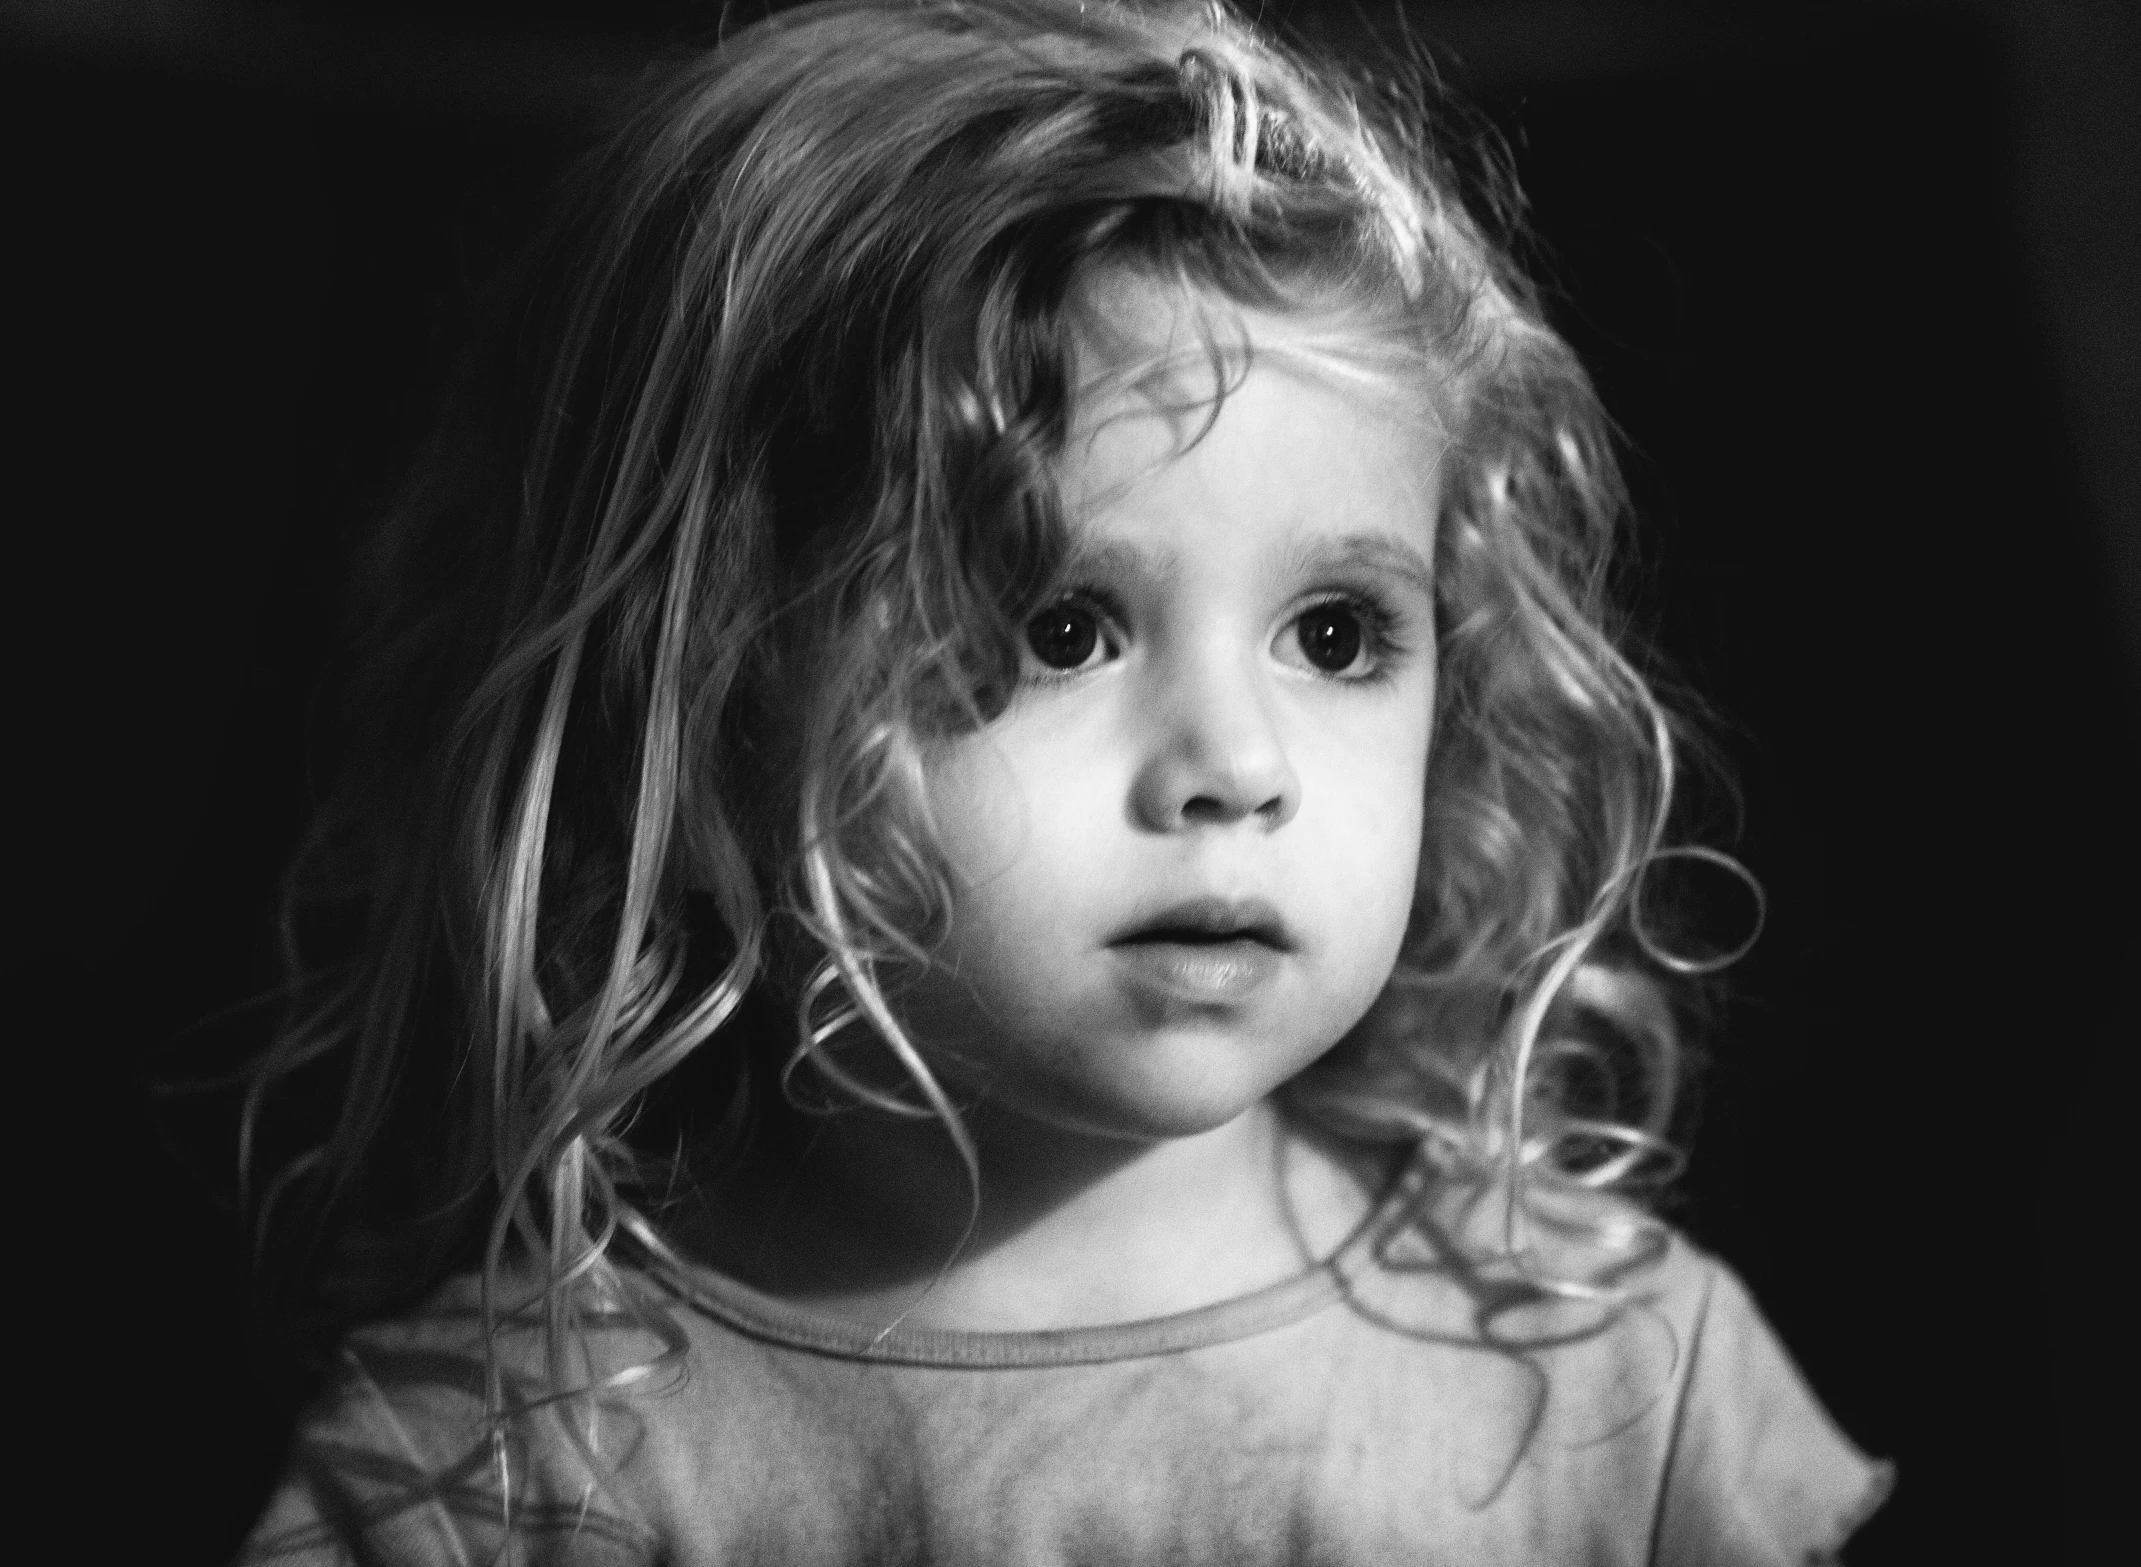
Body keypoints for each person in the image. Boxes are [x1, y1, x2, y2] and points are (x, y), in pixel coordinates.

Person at [234, 2, 1889, 1561]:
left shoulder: (1625, 1389)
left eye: (1333, 632)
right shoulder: (500, 1468)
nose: (1233, 768)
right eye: (1064, 625)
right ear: (701, 707)